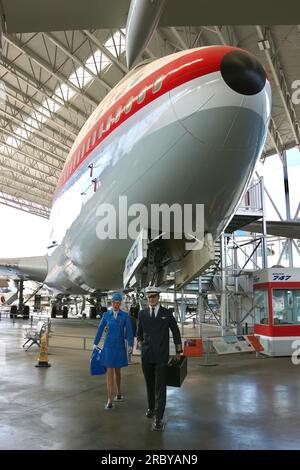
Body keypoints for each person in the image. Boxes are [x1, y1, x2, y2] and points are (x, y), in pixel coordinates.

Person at [137, 286, 183, 431]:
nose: (151, 299)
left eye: (154, 296)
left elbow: (176, 332)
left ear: (158, 297)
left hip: (162, 355)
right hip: (147, 355)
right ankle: (151, 408)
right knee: (149, 383)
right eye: (149, 297)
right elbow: (139, 333)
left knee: (160, 386)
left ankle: (158, 417)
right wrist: (140, 343)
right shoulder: (142, 314)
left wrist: (178, 351)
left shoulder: (166, 313)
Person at [93, 292, 133, 410]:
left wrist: (130, 344)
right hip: (108, 347)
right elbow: (100, 330)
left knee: (118, 371)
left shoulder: (125, 316)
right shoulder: (106, 315)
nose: (116, 304)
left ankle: (119, 392)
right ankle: (110, 399)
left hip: (120, 347)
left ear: (120, 303)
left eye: (118, 302)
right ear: (111, 303)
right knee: (109, 372)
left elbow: (130, 331)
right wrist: (95, 343)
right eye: (114, 302)